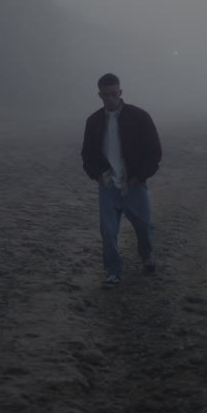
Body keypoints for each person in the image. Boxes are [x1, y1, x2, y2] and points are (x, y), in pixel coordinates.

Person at [81, 73, 162, 289]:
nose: (110, 99)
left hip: (134, 184)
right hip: (108, 187)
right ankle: (113, 273)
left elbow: (154, 152)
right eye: (105, 95)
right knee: (108, 233)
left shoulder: (140, 117)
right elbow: (87, 154)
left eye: (114, 94)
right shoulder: (94, 121)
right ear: (99, 95)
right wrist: (97, 174)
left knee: (144, 228)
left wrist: (140, 177)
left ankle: (147, 257)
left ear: (121, 92)